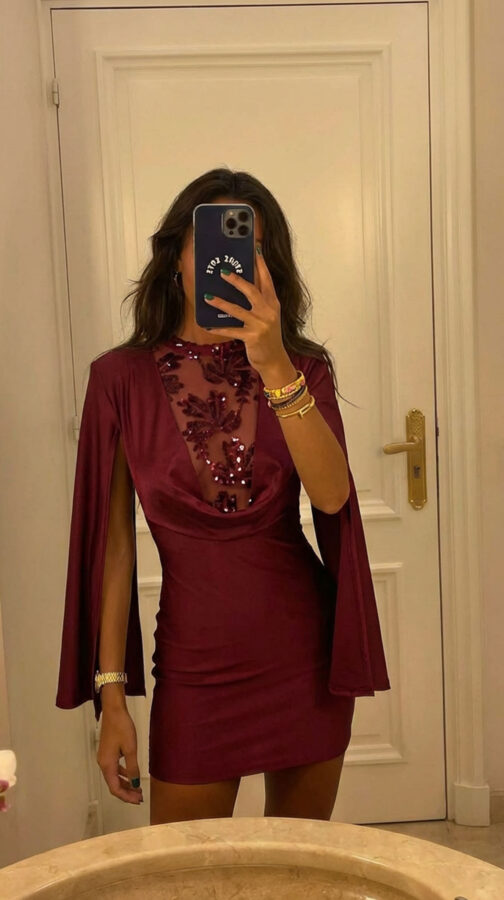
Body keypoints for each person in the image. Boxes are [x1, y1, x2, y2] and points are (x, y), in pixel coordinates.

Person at [56, 168, 390, 826]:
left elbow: (331, 496)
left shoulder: (302, 368)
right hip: (194, 668)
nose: (231, 261)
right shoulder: (118, 379)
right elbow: (114, 547)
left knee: (296, 870)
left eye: (252, 249)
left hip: (302, 657)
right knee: (186, 872)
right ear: (177, 258)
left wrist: (274, 364)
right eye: (212, 244)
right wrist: (111, 696)